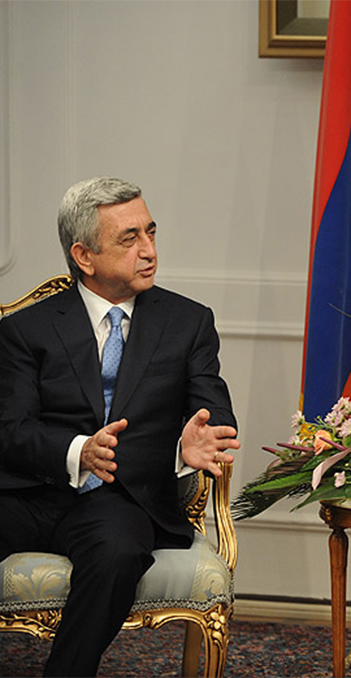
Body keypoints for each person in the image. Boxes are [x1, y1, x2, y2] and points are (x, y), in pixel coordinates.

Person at [0, 177, 240, 677]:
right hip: (33, 490)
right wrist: (77, 450)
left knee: (118, 554)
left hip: (124, 497)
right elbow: (10, 429)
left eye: (151, 233)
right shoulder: (26, 330)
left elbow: (212, 413)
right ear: (84, 256)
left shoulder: (187, 322)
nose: (149, 251)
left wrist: (187, 445)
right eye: (129, 239)